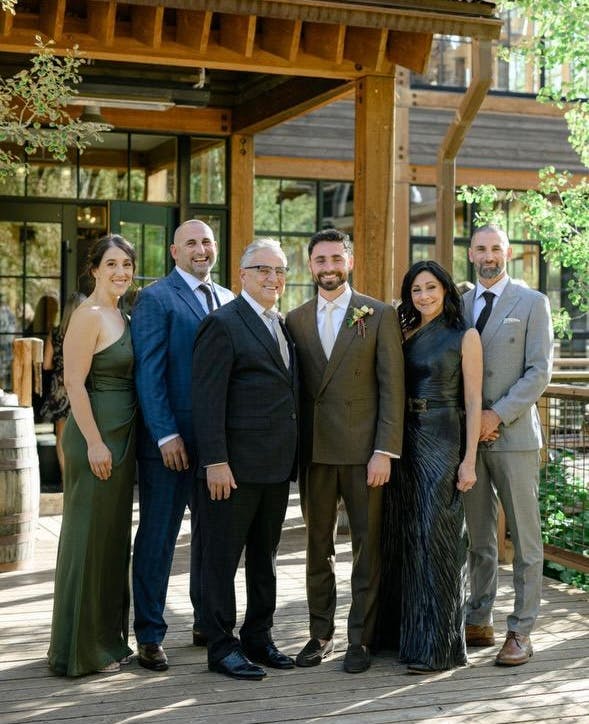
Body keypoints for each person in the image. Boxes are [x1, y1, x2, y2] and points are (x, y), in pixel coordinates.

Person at [286, 228, 405, 674]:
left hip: (364, 455)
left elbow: (392, 389)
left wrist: (385, 451)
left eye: (336, 258)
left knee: (365, 549)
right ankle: (320, 634)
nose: (329, 267)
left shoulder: (377, 314)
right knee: (318, 549)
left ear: (349, 262)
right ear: (310, 265)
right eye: (320, 260)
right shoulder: (294, 319)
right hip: (315, 453)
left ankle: (361, 639)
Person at [192, 238, 298, 681]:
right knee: (221, 558)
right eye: (263, 270)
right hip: (233, 468)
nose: (272, 278)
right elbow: (207, 399)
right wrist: (215, 460)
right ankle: (221, 646)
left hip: (275, 467)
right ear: (242, 275)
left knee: (265, 558)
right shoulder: (223, 323)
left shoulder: (282, 324)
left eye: (278, 271)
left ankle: (259, 635)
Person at [131, 219, 234, 672]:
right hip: (170, 443)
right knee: (158, 536)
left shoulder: (230, 298)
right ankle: (150, 634)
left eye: (207, 241)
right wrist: (164, 432)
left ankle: (205, 621)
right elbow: (148, 372)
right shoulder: (155, 298)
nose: (201, 249)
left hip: (217, 445)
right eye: (191, 242)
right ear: (174, 251)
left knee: (212, 538)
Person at [374, 260, 483, 673]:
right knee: (401, 533)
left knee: (435, 538)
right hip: (402, 439)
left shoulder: (464, 335)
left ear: (446, 289)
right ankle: (401, 636)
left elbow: (473, 402)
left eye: (431, 288)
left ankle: (438, 648)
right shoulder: (402, 330)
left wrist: (468, 460)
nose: (423, 296)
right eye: (416, 290)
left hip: (442, 437)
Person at [462, 225, 553, 666]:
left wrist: (496, 415)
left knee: (525, 537)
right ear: (471, 253)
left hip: (513, 436)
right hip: (469, 443)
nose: (488, 255)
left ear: (509, 253)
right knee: (478, 536)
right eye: (480, 248)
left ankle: (521, 629)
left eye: (496, 247)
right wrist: (471, 423)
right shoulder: (458, 303)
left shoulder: (533, 302)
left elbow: (539, 372)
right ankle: (479, 617)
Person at [47, 234, 136, 676]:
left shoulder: (123, 313)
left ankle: (107, 640)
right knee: (86, 540)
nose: (121, 271)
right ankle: (76, 649)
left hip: (122, 440)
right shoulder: (89, 315)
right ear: (95, 269)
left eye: (127, 265)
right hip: (94, 440)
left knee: (110, 542)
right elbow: (75, 383)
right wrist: (96, 441)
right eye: (113, 263)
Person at [40, 292, 87, 480]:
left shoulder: (56, 332)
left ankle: (65, 479)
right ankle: (80, 479)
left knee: (61, 437)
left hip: (60, 387)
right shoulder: (87, 332)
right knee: (84, 434)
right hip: (82, 384)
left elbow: (46, 364)